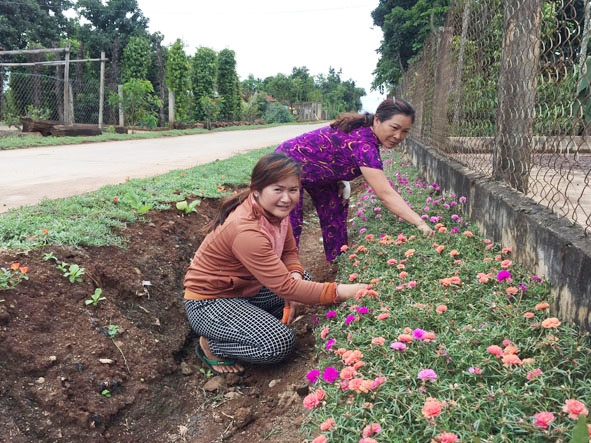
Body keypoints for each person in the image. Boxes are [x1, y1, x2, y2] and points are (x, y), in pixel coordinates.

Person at [183, 152, 368, 375]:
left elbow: (289, 252)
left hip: (245, 290)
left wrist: (296, 276)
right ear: (256, 189)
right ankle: (211, 345)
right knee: (278, 344)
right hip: (210, 304)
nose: (286, 198)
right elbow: (286, 287)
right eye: (277, 190)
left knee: (303, 281)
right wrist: (346, 291)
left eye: (293, 190)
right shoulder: (246, 231)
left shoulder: (276, 212)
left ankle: (248, 325)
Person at [275, 98, 435, 262]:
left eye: (405, 131)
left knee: (335, 211)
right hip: (285, 165)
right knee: (289, 226)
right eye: (394, 128)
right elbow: (385, 194)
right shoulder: (364, 144)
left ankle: (340, 265)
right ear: (377, 120)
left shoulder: (367, 134)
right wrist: (419, 222)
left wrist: (338, 177)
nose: (398, 136)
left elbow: (335, 152)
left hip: (316, 172)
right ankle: (278, 277)